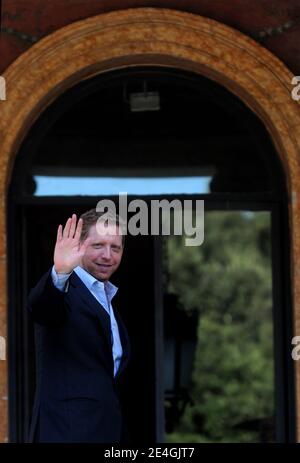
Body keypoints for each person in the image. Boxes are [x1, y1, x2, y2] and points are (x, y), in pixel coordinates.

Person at [27, 209, 131, 443]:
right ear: (79, 246)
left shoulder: (109, 299)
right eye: (98, 246)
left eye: (115, 248)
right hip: (67, 433)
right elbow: (41, 307)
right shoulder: (64, 290)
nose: (107, 255)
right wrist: (60, 273)